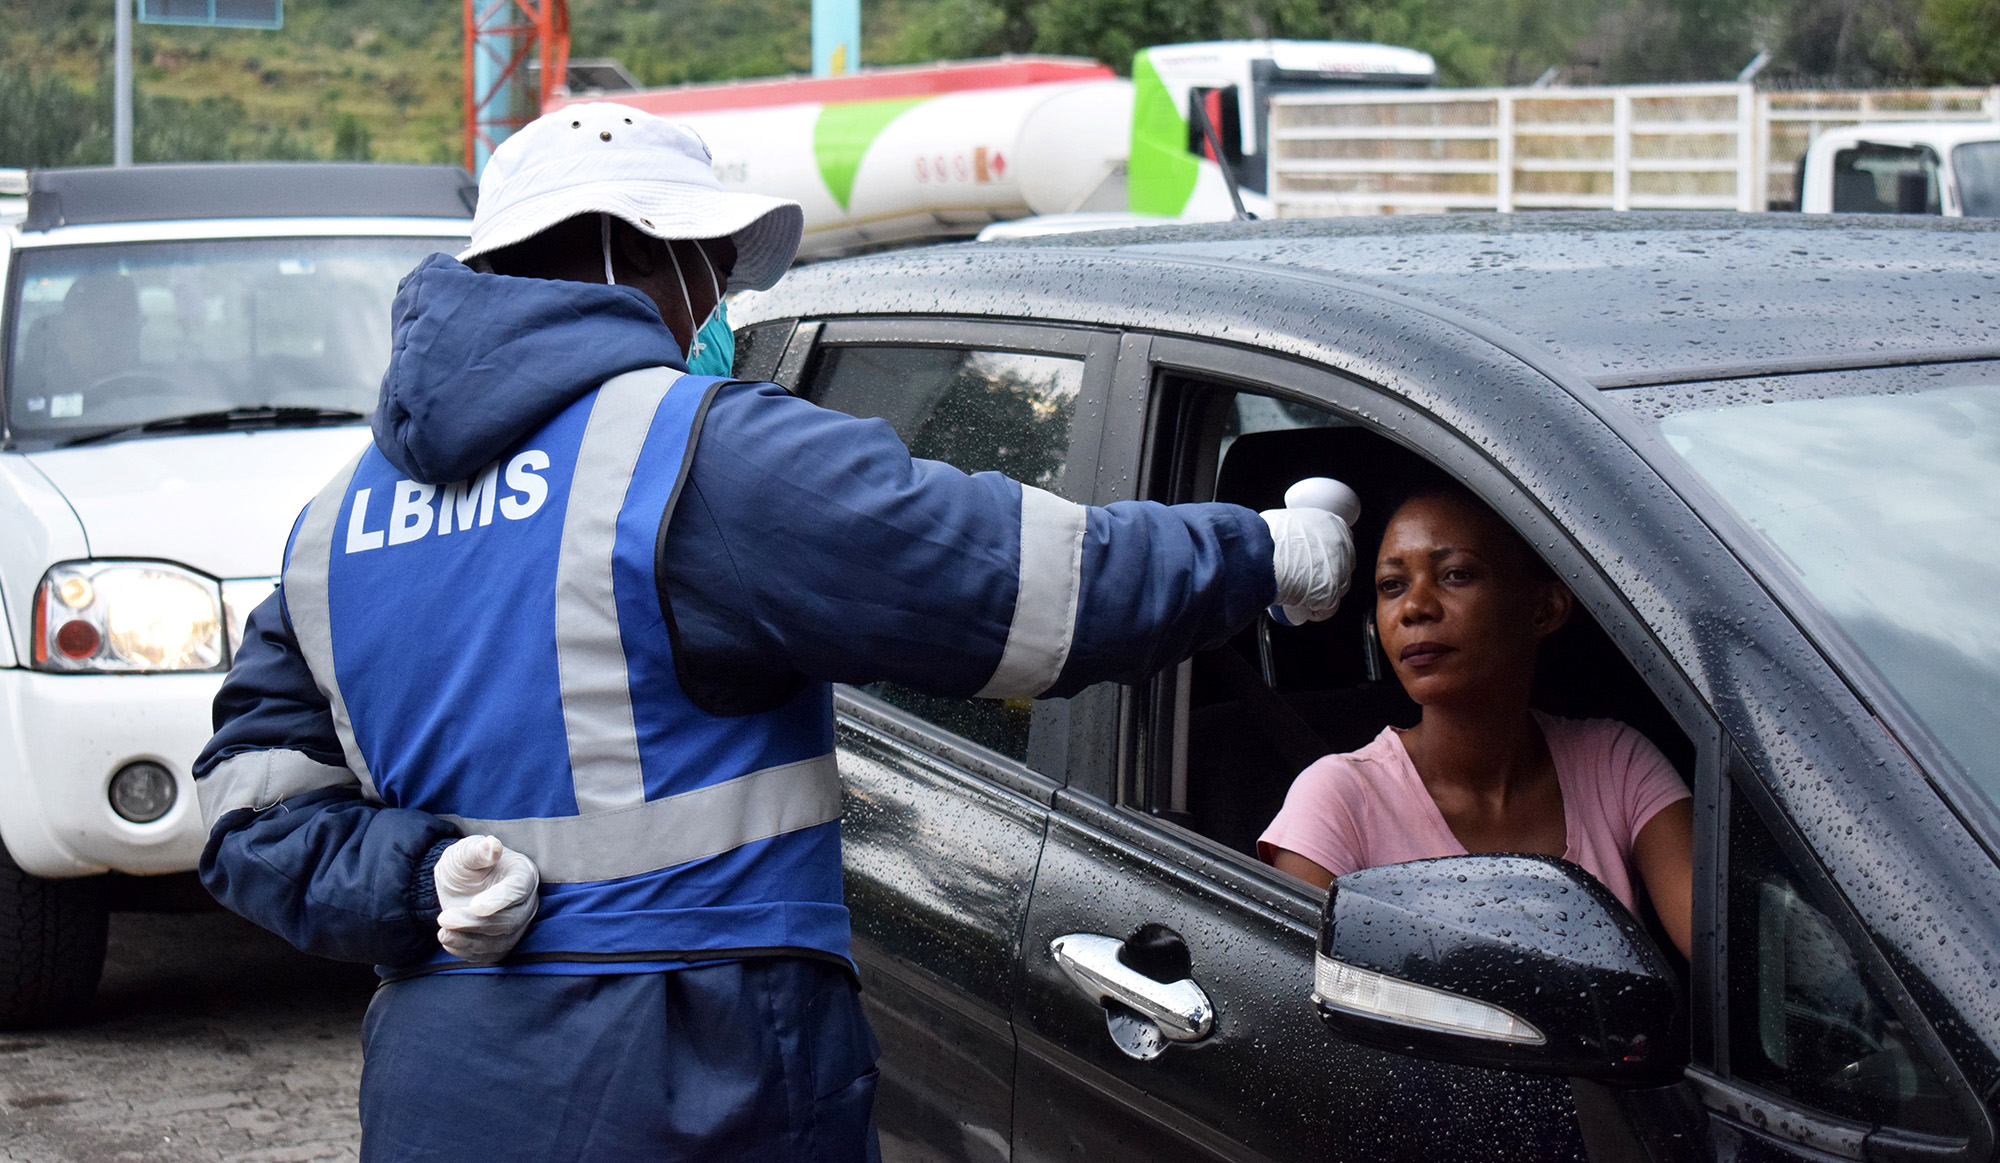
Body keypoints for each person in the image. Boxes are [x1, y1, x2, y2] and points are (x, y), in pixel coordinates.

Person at [192, 102, 1356, 1163]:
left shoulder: (334, 521)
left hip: (443, 1093)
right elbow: (1024, 587)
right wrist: (1262, 552)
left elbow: (246, 813)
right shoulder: (697, 454)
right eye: (705, 267)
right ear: (626, 253)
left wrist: (413, 879)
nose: (715, 306)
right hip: (681, 1084)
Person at [1258, 480, 1694, 957]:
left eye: (1456, 575)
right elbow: (1300, 1008)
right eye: (1392, 586)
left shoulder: (1615, 764)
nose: (1415, 608)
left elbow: (1730, 961)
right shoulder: (1338, 799)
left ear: (1545, 608)